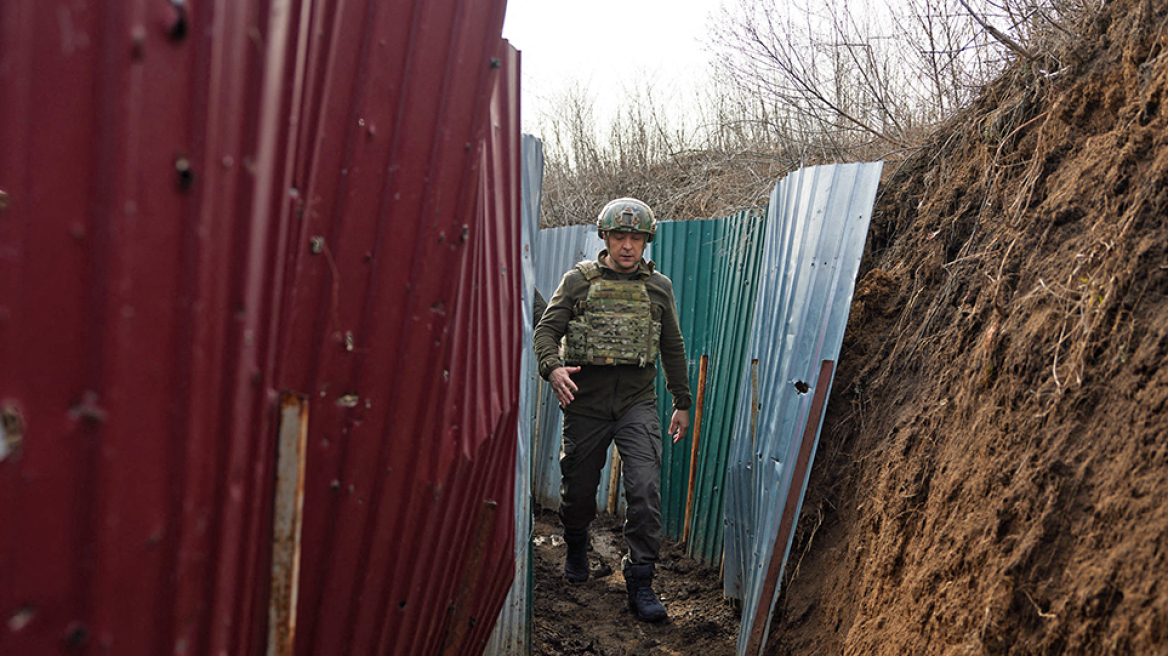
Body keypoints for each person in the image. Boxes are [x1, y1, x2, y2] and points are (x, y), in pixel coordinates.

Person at [533, 197, 692, 622]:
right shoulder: (577, 282)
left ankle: (641, 582)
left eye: (635, 238)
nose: (627, 245)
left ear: (646, 241)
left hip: (637, 403)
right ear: (604, 238)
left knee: (643, 489)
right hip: (585, 404)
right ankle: (577, 541)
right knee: (579, 490)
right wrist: (552, 370)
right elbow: (546, 330)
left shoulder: (659, 287)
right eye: (619, 236)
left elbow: (672, 347)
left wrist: (682, 401)